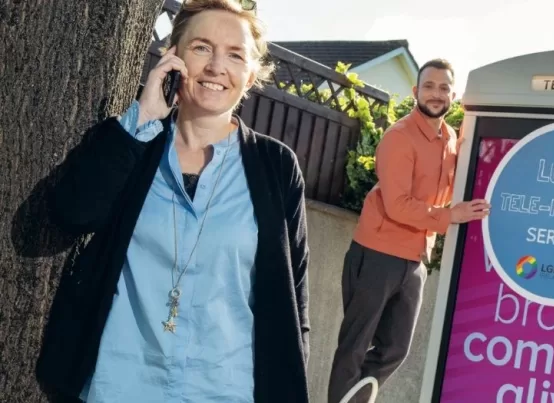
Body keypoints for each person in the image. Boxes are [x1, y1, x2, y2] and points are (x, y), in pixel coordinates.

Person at [34, 1, 311, 402]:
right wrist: (144, 116)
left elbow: (294, 299)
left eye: (235, 55)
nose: (217, 66)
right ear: (173, 58)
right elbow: (72, 212)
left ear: (250, 75)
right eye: (201, 48)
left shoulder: (277, 165)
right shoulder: (134, 143)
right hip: (119, 384)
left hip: (225, 390)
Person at [327, 59, 490, 403]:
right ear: (416, 92)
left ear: (452, 95)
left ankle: (354, 399)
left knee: (396, 348)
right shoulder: (400, 138)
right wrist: (451, 216)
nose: (436, 94)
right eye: (429, 86)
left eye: (443, 88)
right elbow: (398, 204)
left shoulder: (449, 140)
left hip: (415, 259)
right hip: (377, 253)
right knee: (354, 347)